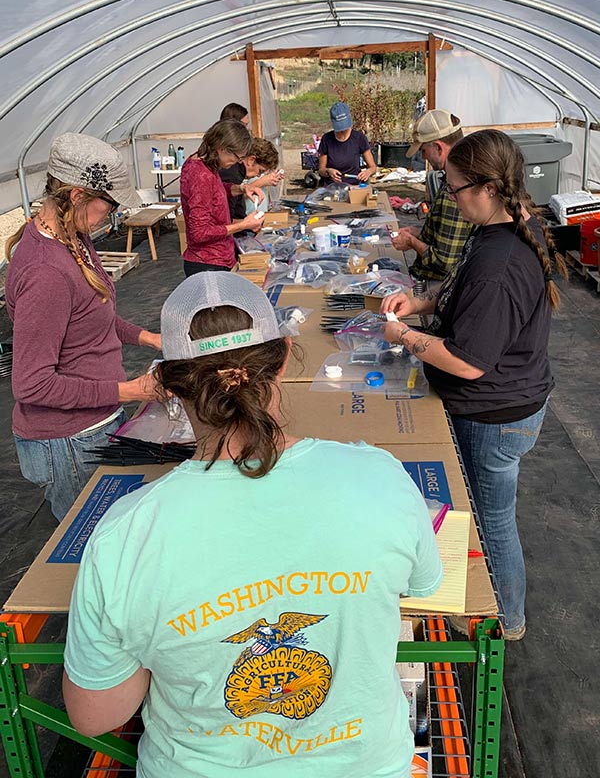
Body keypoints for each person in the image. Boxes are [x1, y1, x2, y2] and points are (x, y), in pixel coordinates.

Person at [63, 272, 443, 778]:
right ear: (284, 357)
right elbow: (421, 586)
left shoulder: (124, 534)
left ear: (168, 383)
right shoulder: (380, 478)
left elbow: (96, 716)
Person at [382, 129, 568, 640]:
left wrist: (406, 336)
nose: (450, 197)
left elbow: (467, 362)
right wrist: (423, 304)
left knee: (492, 520)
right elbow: (463, 289)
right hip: (507, 401)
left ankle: (506, 619)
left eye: (455, 187)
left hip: (495, 415)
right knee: (488, 513)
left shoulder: (500, 264)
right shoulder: (501, 230)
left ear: (487, 186)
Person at [4, 132, 162, 522]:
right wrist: (131, 390)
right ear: (77, 196)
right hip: (71, 441)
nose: (111, 215)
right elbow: (32, 384)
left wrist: (149, 338)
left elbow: (94, 315)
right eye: (107, 206)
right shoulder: (46, 273)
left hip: (93, 422)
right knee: (88, 542)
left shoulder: (73, 236)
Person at [395, 110, 475, 284]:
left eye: (423, 150)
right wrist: (419, 234)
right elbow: (448, 239)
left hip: (440, 287)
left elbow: (444, 262)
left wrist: (412, 242)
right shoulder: (453, 178)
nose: (423, 156)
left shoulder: (455, 192)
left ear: (438, 147)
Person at [180, 120, 264, 276]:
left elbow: (213, 191)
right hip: (208, 265)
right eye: (237, 158)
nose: (236, 163)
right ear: (222, 148)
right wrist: (243, 225)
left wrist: (241, 188)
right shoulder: (200, 175)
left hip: (218, 259)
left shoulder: (203, 165)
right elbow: (199, 232)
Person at [220, 137, 283, 222]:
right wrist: (248, 225)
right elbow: (227, 220)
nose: (258, 175)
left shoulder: (237, 173)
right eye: (260, 171)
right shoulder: (233, 175)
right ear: (251, 160)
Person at [318, 101, 377, 185]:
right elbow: (321, 170)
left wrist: (368, 172)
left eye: (344, 126)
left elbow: (373, 167)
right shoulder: (326, 139)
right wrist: (328, 171)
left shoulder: (359, 138)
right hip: (333, 186)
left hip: (354, 184)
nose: (342, 130)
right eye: (339, 127)